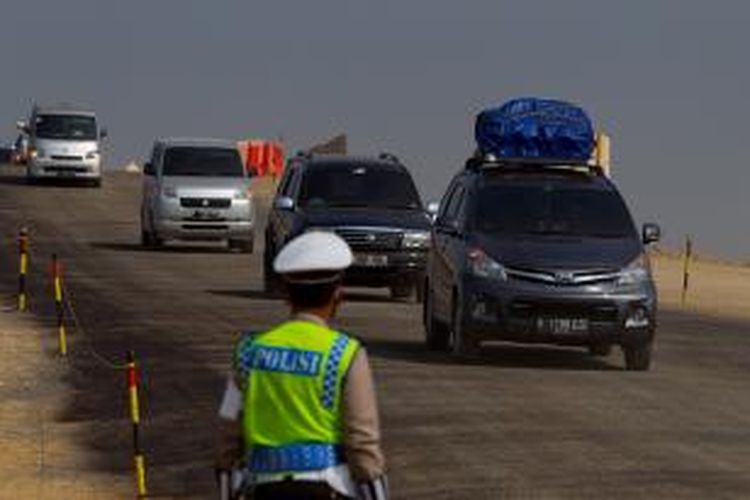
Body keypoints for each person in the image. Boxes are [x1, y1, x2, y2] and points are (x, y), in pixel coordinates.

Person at [216, 231, 388, 499]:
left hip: (262, 488)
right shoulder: (346, 354)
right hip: (325, 488)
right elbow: (362, 443)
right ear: (338, 295)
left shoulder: (248, 353)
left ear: (286, 294)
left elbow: (228, 432)